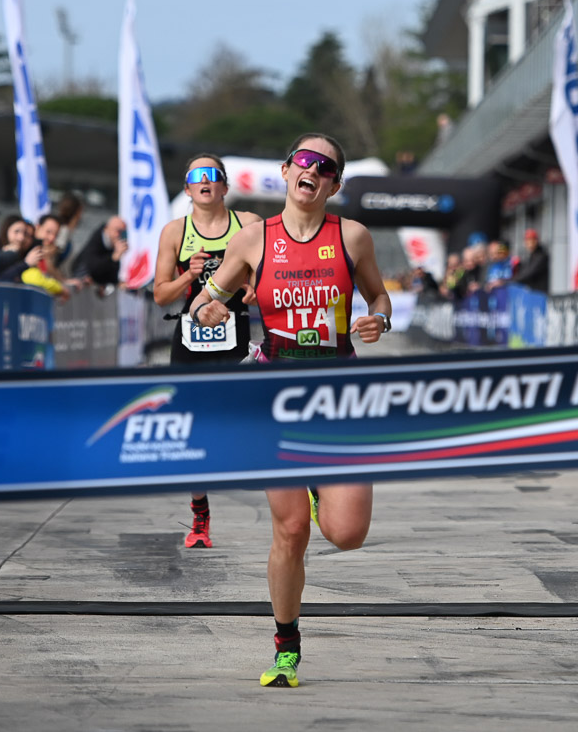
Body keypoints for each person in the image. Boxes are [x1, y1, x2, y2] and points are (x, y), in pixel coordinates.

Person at [190, 133, 392, 688]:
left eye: (325, 166)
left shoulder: (352, 236)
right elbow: (211, 297)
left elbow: (379, 297)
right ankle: (286, 646)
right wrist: (209, 309)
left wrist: (379, 319)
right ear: (286, 171)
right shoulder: (254, 240)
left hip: (338, 394)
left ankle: (315, 482)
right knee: (292, 533)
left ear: (334, 183)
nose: (313, 170)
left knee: (346, 533)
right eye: (304, 160)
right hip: (274, 391)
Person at [153, 153, 262, 548]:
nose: (205, 181)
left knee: (249, 420)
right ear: (187, 188)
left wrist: (253, 287)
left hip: (235, 335)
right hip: (190, 337)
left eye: (212, 175)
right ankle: (200, 515)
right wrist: (189, 274)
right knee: (191, 428)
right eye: (196, 176)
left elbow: (268, 273)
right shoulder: (174, 232)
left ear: (224, 187)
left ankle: (298, 491)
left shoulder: (247, 224)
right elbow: (160, 295)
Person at [73, 216, 129, 288]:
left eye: (122, 232)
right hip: (80, 277)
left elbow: (111, 275)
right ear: (106, 228)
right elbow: (94, 268)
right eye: (117, 231)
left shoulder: (113, 244)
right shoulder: (97, 240)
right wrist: (114, 257)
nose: (118, 235)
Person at [514, 228, 549, 292]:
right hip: (532, 293)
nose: (529, 243)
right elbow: (523, 272)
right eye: (527, 241)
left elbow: (527, 274)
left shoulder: (541, 256)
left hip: (539, 294)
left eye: (532, 240)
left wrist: (506, 282)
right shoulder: (531, 256)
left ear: (536, 241)